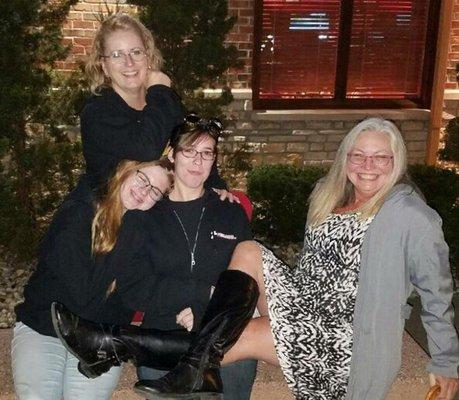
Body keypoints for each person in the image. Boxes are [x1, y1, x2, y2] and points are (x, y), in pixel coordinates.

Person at [54, 117, 459, 400]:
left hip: (344, 339)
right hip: (306, 309)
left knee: (234, 333)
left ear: (397, 161)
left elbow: (437, 289)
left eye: (380, 158)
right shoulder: (329, 196)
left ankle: (113, 342)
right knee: (248, 254)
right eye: (358, 155)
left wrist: (447, 360)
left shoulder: (408, 215)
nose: (367, 166)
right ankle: (141, 350)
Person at [52, 116, 258, 400]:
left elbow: (247, 278)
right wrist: (198, 295)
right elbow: (133, 288)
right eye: (189, 151)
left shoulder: (230, 211)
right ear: (172, 155)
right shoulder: (145, 215)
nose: (198, 161)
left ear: (214, 160)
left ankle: (115, 343)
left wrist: (203, 309)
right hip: (164, 328)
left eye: (207, 153)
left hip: (227, 341)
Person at [12, 158, 174, 400]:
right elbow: (83, 296)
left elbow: (140, 294)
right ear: (126, 170)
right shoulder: (80, 211)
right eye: (143, 178)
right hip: (44, 327)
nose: (144, 191)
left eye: (155, 192)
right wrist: (133, 226)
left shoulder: (141, 232)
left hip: (101, 340)